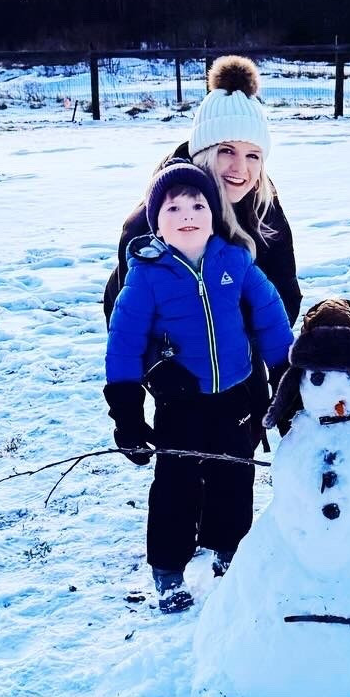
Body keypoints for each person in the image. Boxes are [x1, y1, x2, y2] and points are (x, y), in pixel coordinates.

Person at [104, 161, 294, 613]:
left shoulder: (235, 260)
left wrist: (285, 376)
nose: (187, 214)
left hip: (235, 396)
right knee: (176, 484)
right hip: (180, 403)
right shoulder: (146, 276)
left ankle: (230, 554)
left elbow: (269, 315)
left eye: (198, 204)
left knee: (235, 474)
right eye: (173, 207)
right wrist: (127, 415)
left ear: (213, 213)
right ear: (156, 221)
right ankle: (168, 571)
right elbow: (124, 343)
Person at [103, 59, 301, 446]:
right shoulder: (158, 219)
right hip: (178, 388)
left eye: (253, 155)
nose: (240, 168)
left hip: (240, 384)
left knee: (234, 492)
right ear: (203, 151)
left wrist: (277, 373)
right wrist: (151, 374)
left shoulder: (261, 205)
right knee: (179, 494)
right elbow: (123, 315)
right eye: (227, 150)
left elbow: (282, 295)